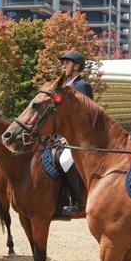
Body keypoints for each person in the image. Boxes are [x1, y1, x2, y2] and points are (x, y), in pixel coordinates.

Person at [58, 50, 93, 216]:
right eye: (62, 62)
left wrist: (69, 136)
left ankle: (78, 202)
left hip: (78, 139)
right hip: (60, 137)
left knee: (65, 160)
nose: (63, 65)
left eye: (67, 62)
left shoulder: (82, 86)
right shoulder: (62, 86)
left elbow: (85, 116)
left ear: (77, 66)